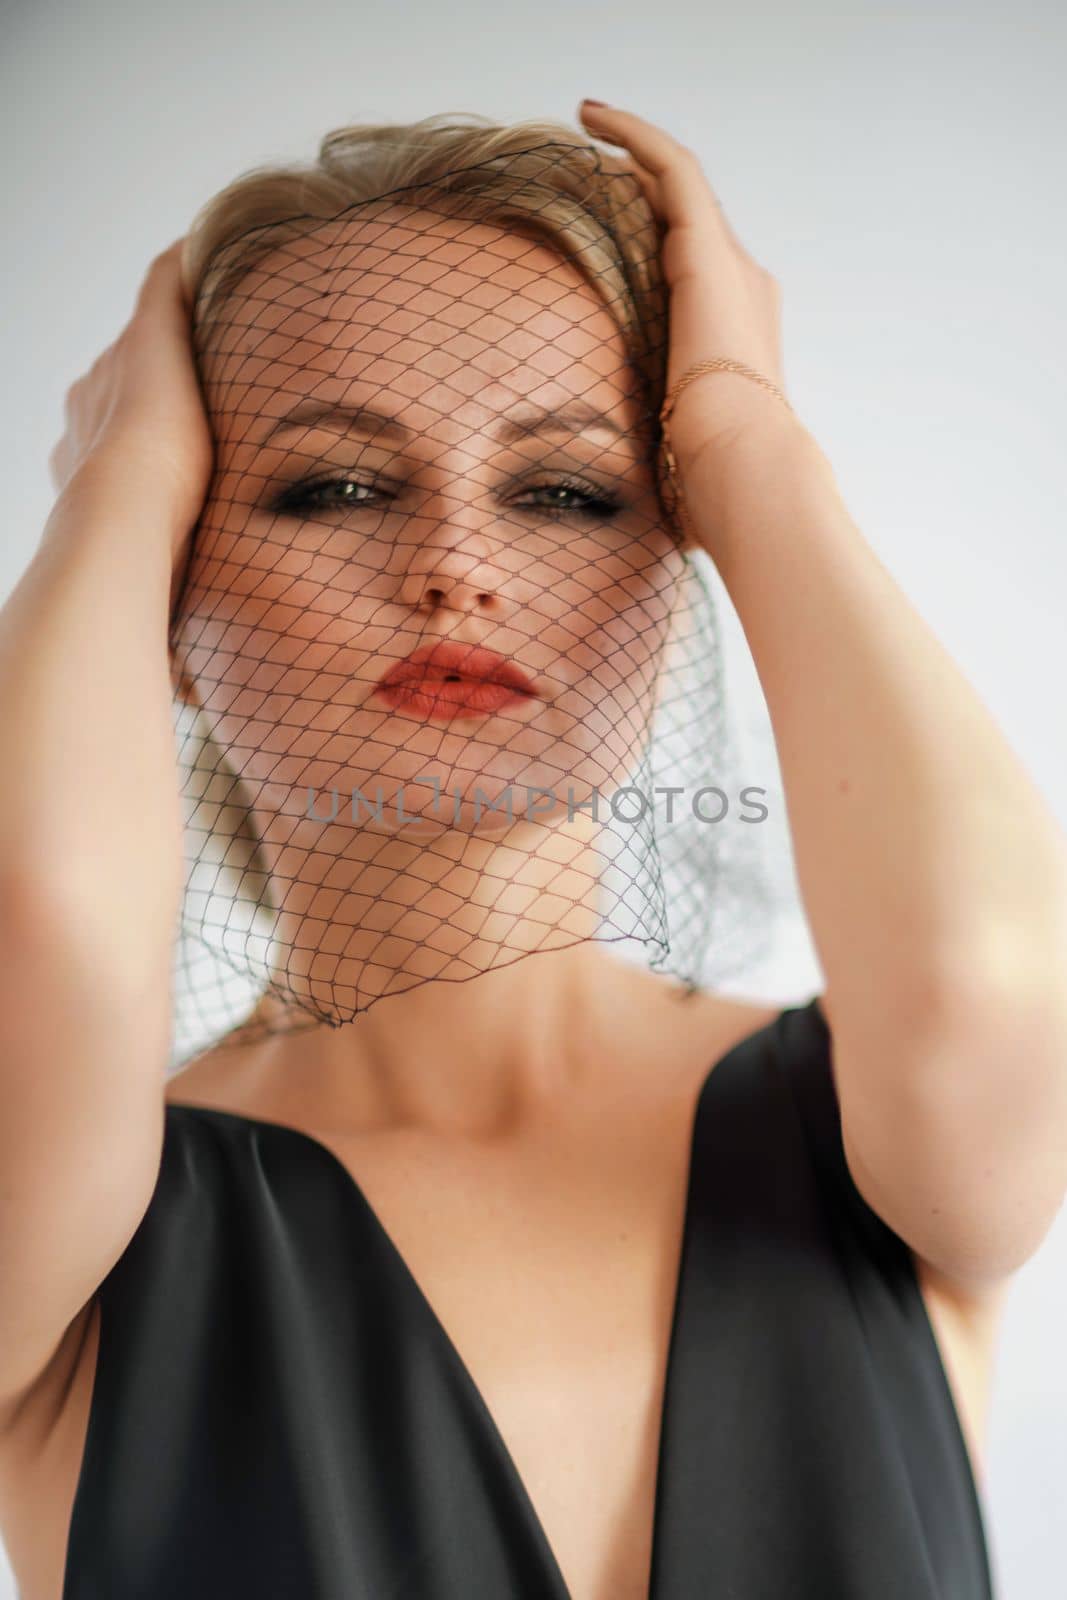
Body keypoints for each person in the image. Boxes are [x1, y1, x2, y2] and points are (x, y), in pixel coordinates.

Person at [0, 99, 1064, 1600]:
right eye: (336, 488)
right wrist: (109, 492)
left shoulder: (892, 1139)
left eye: (567, 491)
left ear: (682, 558)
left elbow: (988, 962)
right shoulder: (68, 1229)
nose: (456, 567)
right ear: (166, 603)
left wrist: (753, 441)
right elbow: (33, 923)